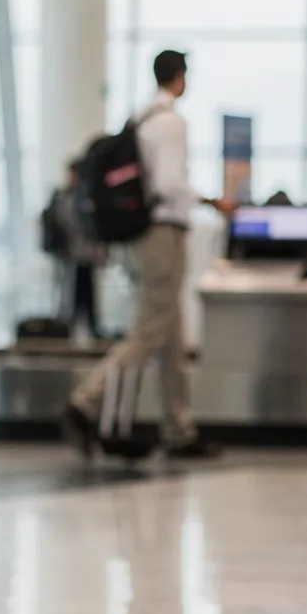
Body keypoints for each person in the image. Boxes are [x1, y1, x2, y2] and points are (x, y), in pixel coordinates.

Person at [59, 49, 233, 460]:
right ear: (180, 76)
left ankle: (179, 430)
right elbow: (171, 183)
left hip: (134, 238)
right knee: (150, 331)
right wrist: (211, 201)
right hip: (160, 236)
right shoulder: (171, 122)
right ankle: (84, 404)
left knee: (169, 332)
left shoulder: (138, 119)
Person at [43, 168, 104, 339]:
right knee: (70, 294)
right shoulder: (65, 197)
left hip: (85, 255)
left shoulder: (83, 196)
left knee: (87, 294)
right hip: (69, 256)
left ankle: (91, 326)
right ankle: (67, 327)